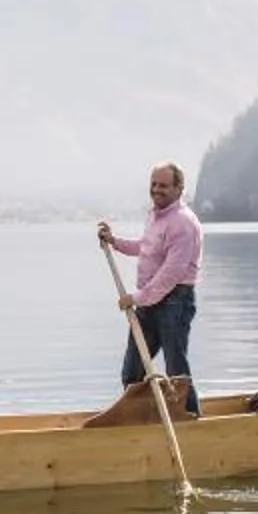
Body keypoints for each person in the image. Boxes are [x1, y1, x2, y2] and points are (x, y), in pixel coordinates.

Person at [98, 161, 203, 396]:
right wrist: (114, 242)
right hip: (149, 301)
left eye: (163, 185)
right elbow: (146, 248)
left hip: (175, 302)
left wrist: (135, 298)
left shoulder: (183, 223)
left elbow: (171, 274)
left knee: (176, 371)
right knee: (132, 373)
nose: (156, 189)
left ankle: (190, 420)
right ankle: (141, 419)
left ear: (179, 189)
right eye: (154, 184)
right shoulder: (156, 216)